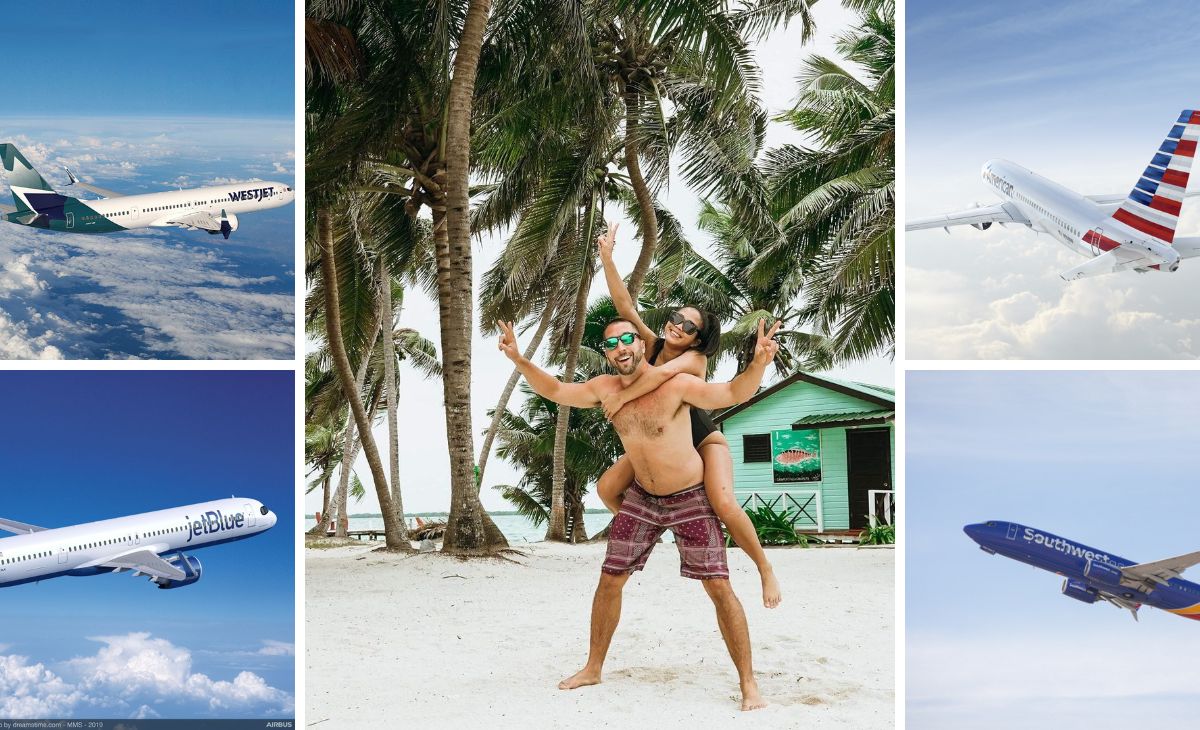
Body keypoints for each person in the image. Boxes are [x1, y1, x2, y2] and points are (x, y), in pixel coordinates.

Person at [497, 316, 781, 711]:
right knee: (609, 581)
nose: (621, 348)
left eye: (628, 339)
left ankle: (749, 683)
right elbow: (558, 390)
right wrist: (520, 360)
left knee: (718, 587)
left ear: (642, 345)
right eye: (611, 343)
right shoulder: (604, 388)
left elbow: (732, 391)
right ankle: (593, 667)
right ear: (607, 353)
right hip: (642, 498)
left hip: (689, 497)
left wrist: (759, 363)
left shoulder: (676, 384)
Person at [596, 222, 782, 609]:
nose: (676, 326)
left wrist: (620, 399)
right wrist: (607, 258)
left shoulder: (694, 359)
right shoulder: (650, 343)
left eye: (688, 325)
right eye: (676, 318)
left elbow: (663, 376)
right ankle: (659, 527)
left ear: (698, 338)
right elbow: (625, 307)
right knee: (607, 489)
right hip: (662, 441)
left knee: (725, 505)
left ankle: (764, 566)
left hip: (701, 440)